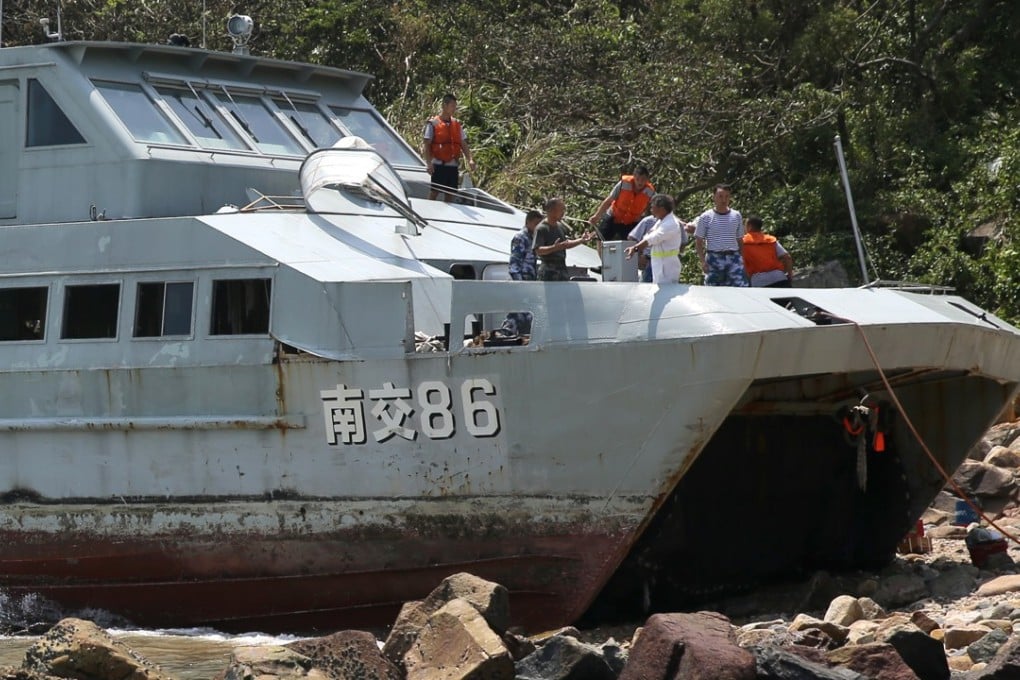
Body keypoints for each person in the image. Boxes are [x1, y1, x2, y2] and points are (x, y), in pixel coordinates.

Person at [422, 93, 476, 201]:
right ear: (444, 106)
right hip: (438, 164)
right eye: (452, 106)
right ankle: (428, 212)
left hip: (452, 164)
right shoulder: (433, 123)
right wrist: (428, 163)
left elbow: (463, 143)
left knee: (450, 193)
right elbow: (427, 145)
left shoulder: (456, 124)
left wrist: (470, 159)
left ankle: (447, 213)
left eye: (455, 106)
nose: (454, 109)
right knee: (434, 192)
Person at [624, 194, 686, 284]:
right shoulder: (661, 221)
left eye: (653, 207)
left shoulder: (671, 224)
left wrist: (636, 248)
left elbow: (653, 238)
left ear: (661, 209)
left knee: (666, 292)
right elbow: (648, 235)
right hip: (658, 263)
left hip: (667, 266)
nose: (651, 210)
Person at [694, 184, 748, 287]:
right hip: (714, 258)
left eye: (727, 196)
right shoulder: (706, 217)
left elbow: (740, 239)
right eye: (720, 196)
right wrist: (702, 262)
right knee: (713, 290)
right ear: (714, 197)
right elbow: (698, 241)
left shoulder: (736, 215)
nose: (724, 200)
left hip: (734, 257)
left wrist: (742, 258)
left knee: (740, 288)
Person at [533, 197, 595, 281]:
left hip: (562, 270)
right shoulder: (541, 228)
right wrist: (554, 248)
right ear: (552, 211)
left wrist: (581, 240)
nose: (563, 213)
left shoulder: (560, 226)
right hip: (548, 272)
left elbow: (565, 244)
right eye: (561, 210)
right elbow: (538, 250)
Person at [588, 166, 656, 241]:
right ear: (634, 177)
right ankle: (600, 253)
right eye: (638, 179)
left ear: (647, 179)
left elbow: (651, 209)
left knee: (632, 242)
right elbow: (608, 201)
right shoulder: (624, 183)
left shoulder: (650, 191)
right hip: (614, 215)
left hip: (631, 221)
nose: (640, 182)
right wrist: (597, 216)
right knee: (601, 238)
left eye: (643, 179)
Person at [742, 215, 794, 287]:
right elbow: (787, 257)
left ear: (749, 226)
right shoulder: (770, 240)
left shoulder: (742, 243)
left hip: (759, 282)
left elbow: (742, 266)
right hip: (779, 278)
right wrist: (790, 275)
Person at [509, 210, 543, 281]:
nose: (538, 227)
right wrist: (519, 283)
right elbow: (514, 265)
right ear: (528, 222)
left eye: (540, 225)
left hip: (531, 280)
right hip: (522, 280)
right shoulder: (520, 238)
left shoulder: (533, 238)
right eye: (536, 224)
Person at [627, 212, 658, 282]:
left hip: (667, 261)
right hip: (648, 260)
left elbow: (683, 242)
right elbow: (632, 237)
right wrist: (638, 257)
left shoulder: (673, 222)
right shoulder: (649, 221)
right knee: (646, 287)